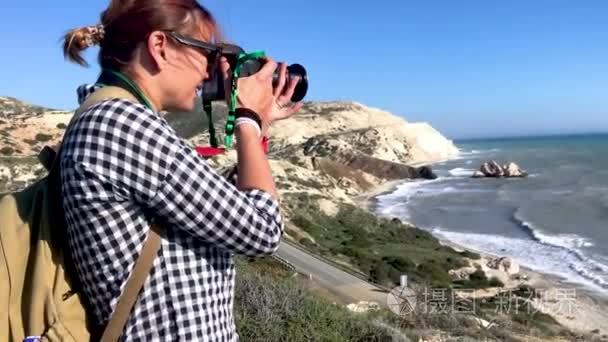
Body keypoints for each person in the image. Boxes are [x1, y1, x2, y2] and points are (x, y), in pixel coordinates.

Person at [60, 0, 302, 340]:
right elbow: (262, 230)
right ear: (160, 46)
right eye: (207, 52)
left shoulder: (117, 119)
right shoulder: (121, 124)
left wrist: (258, 125)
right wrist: (247, 120)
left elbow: (212, 208)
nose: (209, 71)